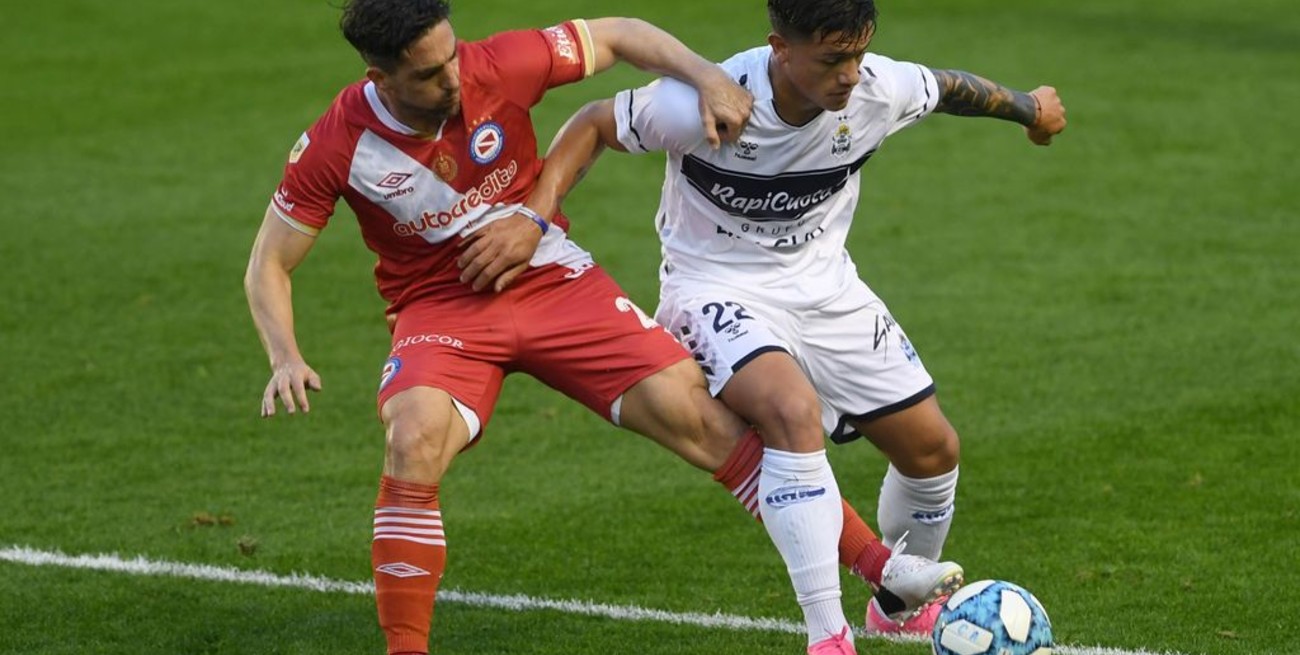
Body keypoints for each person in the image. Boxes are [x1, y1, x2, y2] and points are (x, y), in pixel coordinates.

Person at [244, 1, 959, 654]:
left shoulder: (498, 64)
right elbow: (269, 263)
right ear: (381, 75)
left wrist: (706, 75)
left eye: (453, 55)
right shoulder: (337, 144)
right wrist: (284, 354)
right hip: (444, 310)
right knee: (413, 439)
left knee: (711, 425)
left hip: (555, 282)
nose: (456, 80)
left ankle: (880, 568)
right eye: (431, 75)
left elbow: (619, 35)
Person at [457, 0, 1067, 640]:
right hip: (713, 287)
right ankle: (828, 636)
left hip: (827, 288)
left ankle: (894, 612)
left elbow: (947, 88)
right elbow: (592, 124)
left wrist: (1030, 108)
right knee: (790, 411)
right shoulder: (704, 101)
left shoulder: (876, 89)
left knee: (933, 451)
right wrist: (535, 217)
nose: (851, 75)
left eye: (858, 54)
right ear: (780, 48)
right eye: (833, 60)